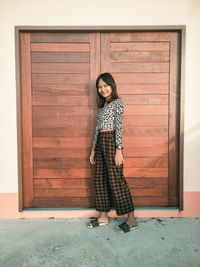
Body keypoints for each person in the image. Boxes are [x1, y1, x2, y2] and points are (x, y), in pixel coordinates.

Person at [88, 72, 138, 234]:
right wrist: (93, 149)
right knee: (100, 179)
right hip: (101, 142)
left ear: (112, 86)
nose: (103, 89)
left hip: (111, 142)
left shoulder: (118, 103)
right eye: (100, 87)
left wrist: (119, 150)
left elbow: (119, 127)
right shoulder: (102, 107)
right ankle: (103, 216)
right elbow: (98, 129)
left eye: (105, 86)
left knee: (117, 180)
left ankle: (131, 219)